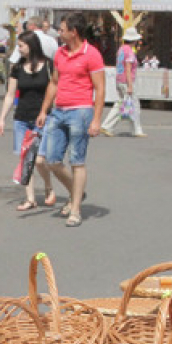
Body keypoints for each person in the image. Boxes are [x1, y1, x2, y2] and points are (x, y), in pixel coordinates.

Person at [35, 13, 106, 228]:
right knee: (52, 161)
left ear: (74, 32)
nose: (59, 32)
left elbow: (100, 88)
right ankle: (77, 191)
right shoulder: (60, 53)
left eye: (62, 29)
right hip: (59, 111)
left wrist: (96, 120)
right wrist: (43, 110)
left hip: (81, 111)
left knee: (77, 160)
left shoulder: (91, 54)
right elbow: (54, 83)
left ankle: (75, 209)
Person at [0, 30, 55, 210]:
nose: (18, 49)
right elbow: (10, 95)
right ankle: (30, 198)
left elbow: (55, 91)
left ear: (31, 45)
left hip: (44, 117)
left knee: (39, 160)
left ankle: (48, 185)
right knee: (25, 159)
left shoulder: (48, 66)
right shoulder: (18, 68)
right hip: (22, 118)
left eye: (21, 46)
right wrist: (1, 119)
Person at [100, 26, 147, 138]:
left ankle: (107, 125)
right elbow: (128, 68)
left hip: (119, 79)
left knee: (121, 103)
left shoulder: (121, 49)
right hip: (127, 81)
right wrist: (130, 85)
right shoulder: (129, 51)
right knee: (133, 104)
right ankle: (136, 129)